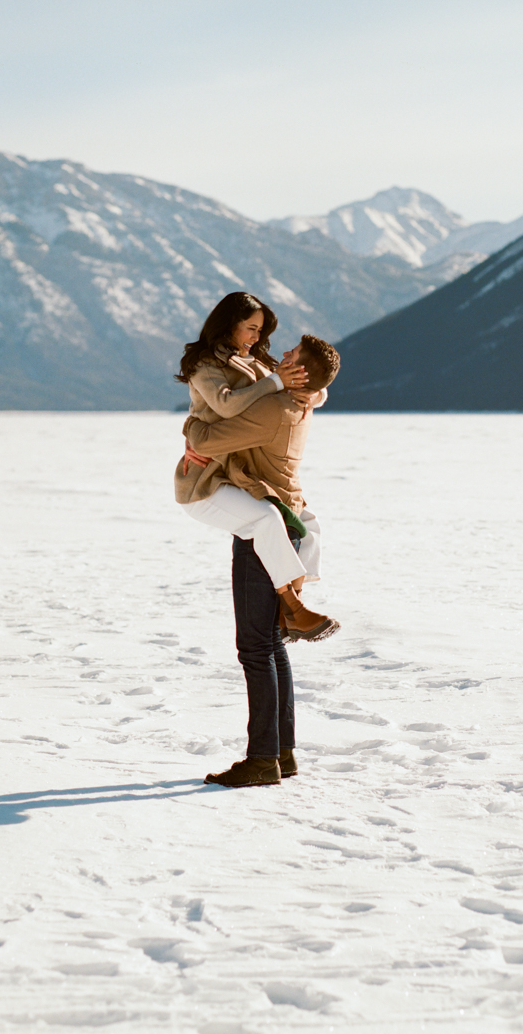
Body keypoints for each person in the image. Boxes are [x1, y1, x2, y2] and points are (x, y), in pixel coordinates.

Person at [180, 331, 342, 788]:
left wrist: (190, 425)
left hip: (264, 525)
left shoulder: (274, 408)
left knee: (254, 648)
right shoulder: (304, 401)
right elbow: (317, 388)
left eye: (291, 357)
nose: (281, 358)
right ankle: (282, 753)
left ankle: (262, 760)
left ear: (302, 374)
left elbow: (210, 438)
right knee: (271, 646)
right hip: (286, 518)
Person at [174, 292, 336, 636]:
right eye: (251, 328)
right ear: (229, 325)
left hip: (240, 473)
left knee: (309, 526)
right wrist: (277, 382)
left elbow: (301, 380)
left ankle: (293, 605)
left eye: (261, 331)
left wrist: (315, 393)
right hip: (207, 473)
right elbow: (229, 406)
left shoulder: (254, 359)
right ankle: (292, 607)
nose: (257, 338)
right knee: (266, 520)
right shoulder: (206, 364)